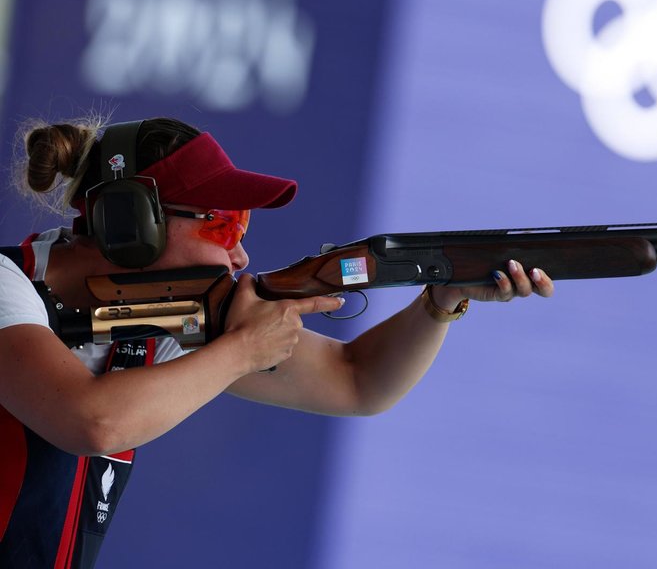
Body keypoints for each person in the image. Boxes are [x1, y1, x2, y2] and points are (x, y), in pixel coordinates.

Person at [0, 117, 554, 568]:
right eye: (223, 226)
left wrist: (441, 299)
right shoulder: (8, 284)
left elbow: (358, 381)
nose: (239, 256)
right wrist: (242, 349)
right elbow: (91, 423)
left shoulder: (162, 322)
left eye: (242, 229)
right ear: (131, 220)